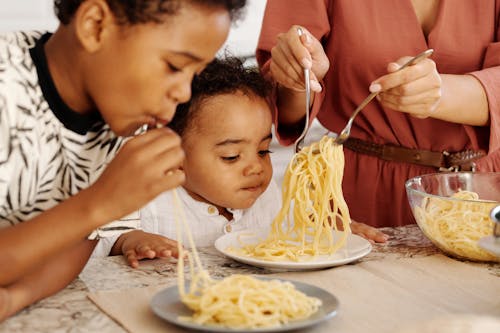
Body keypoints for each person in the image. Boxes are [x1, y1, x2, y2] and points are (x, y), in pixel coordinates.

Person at [0, 0, 246, 321]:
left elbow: (79, 246)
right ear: (95, 26)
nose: (185, 94)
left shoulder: (120, 114)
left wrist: (15, 297)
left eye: (194, 74)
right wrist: (101, 202)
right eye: (174, 66)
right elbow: (89, 217)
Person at [256, 0, 500, 229]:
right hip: (360, 199)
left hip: (485, 192)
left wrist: (443, 94)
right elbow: (284, 109)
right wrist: (299, 77)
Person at [92, 56, 280, 266]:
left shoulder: (267, 196)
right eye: (231, 156)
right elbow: (102, 238)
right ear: (175, 152)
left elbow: (291, 235)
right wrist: (130, 240)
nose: (256, 167)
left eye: (263, 151)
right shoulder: (147, 196)